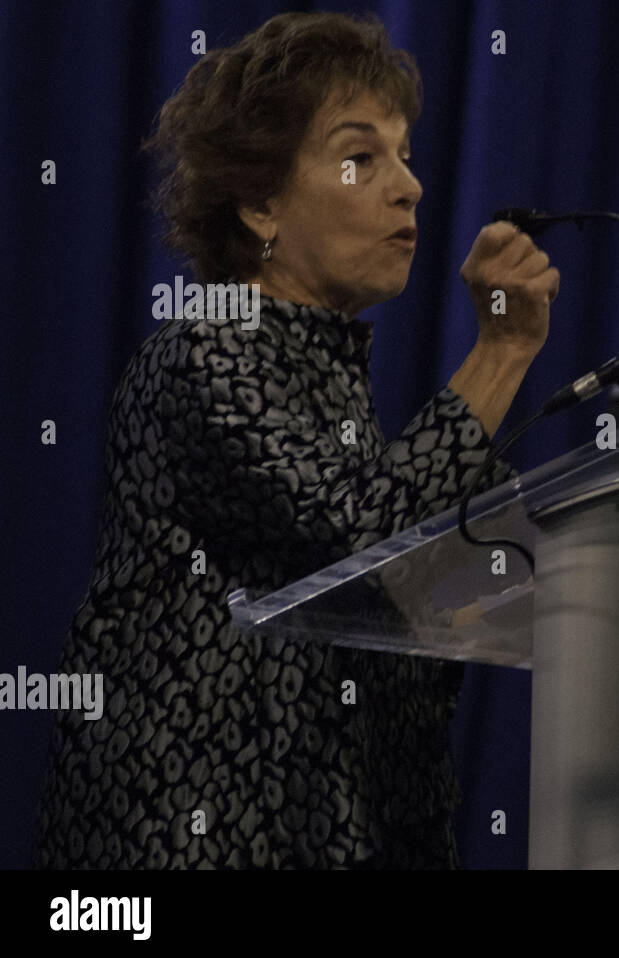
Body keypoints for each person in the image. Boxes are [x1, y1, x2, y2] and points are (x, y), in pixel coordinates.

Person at [34, 11, 557, 869]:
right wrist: (501, 355)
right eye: (362, 156)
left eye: (406, 154)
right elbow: (360, 541)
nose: (410, 187)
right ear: (260, 201)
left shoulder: (326, 378)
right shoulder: (206, 350)